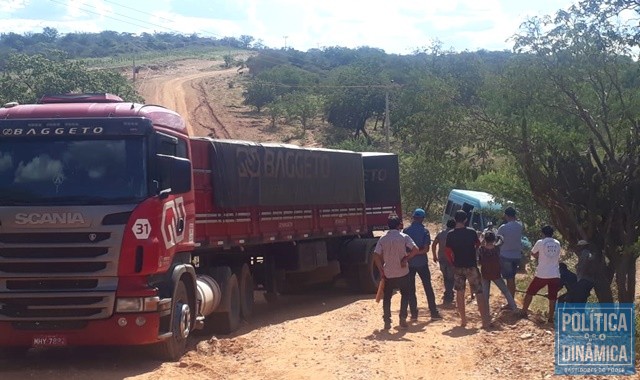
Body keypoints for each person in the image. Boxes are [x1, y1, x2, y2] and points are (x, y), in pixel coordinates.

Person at [445, 210, 491, 328]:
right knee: (479, 292)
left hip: (458, 267)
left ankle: (463, 320)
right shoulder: (471, 232)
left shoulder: (450, 234)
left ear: (455, 219)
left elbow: (447, 251)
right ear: (466, 220)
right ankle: (484, 321)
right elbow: (478, 245)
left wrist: (453, 263)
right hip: (471, 266)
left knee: (460, 293)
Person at [373, 215, 420, 330]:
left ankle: (387, 321)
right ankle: (402, 318)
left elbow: (376, 255)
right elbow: (416, 249)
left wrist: (381, 270)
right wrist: (406, 259)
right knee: (405, 295)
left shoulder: (383, 239)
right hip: (403, 271)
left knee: (387, 297)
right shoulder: (404, 237)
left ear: (388, 225)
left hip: (388, 273)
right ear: (399, 225)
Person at [403, 208, 442, 320]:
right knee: (428, 287)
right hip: (422, 263)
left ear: (413, 217)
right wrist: (417, 252)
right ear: (422, 219)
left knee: (411, 289)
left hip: (410, 263)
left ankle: (414, 314)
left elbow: (404, 249)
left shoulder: (406, 231)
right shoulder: (425, 231)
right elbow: (425, 250)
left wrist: (411, 255)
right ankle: (433, 312)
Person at [520, 225, 561, 323]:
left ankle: (524, 311)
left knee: (530, 292)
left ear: (543, 233)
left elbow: (533, 253)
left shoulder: (540, 242)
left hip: (542, 273)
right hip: (555, 273)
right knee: (552, 297)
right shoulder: (557, 243)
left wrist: (538, 255)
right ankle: (551, 318)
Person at [478, 231, 518, 312]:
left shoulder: (481, 249)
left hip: (485, 273)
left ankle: (486, 311)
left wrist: (482, 239)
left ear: (485, 239)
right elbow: (502, 240)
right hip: (496, 273)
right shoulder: (496, 248)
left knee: (485, 294)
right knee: (505, 291)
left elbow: (479, 261)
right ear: (493, 239)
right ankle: (513, 307)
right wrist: (498, 236)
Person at [497, 206, 524, 299]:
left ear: (506, 215)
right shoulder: (520, 226)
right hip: (517, 255)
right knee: (512, 278)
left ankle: (510, 301)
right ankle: (511, 298)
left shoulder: (503, 227)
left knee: (509, 279)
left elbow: (498, 240)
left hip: (506, 256)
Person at [432, 218, 456, 305]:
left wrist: (434, 255)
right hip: (452, 260)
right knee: (451, 278)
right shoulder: (455, 234)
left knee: (445, 276)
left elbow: (434, 244)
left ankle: (448, 293)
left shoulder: (441, 234)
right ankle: (449, 294)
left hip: (442, 258)